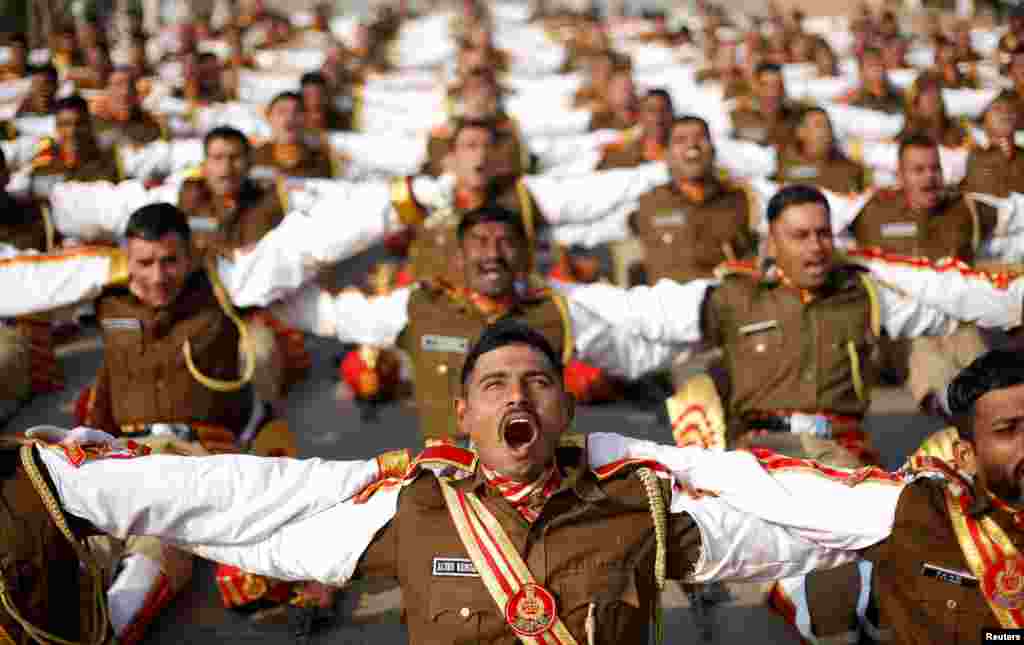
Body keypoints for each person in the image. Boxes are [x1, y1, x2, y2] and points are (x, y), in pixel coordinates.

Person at [25, 320, 909, 645]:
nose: (516, 398)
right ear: (464, 414)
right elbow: (251, 505)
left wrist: (905, 510)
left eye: (536, 383)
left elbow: (775, 527)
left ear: (565, 407)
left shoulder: (637, 502)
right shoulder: (412, 504)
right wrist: (80, 487)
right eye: (495, 386)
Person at [276, 206, 681, 443]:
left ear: (523, 256)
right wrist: (262, 298)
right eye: (480, 243)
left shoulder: (555, 312)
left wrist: (699, 343)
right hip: (446, 480)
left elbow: (631, 357)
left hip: (536, 481)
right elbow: (337, 317)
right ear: (459, 257)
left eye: (505, 243)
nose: (493, 255)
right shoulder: (421, 307)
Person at [774, 107, 867, 194]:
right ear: (800, 132)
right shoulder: (782, 162)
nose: (825, 131)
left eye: (828, 126)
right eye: (818, 125)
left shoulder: (849, 169)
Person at [250, 92, 339, 180]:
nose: (290, 117)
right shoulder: (255, 157)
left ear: (306, 118)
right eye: (282, 112)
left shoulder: (320, 161)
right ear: (268, 117)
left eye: (297, 112)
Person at [597, 88, 673, 169]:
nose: (658, 116)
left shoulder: (677, 152)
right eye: (651, 110)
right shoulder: (620, 147)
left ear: (671, 113)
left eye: (664, 110)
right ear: (640, 115)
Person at [729, 62, 798, 149]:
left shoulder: (794, 115)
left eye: (776, 85)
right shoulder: (737, 115)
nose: (771, 92)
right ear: (755, 86)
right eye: (765, 85)